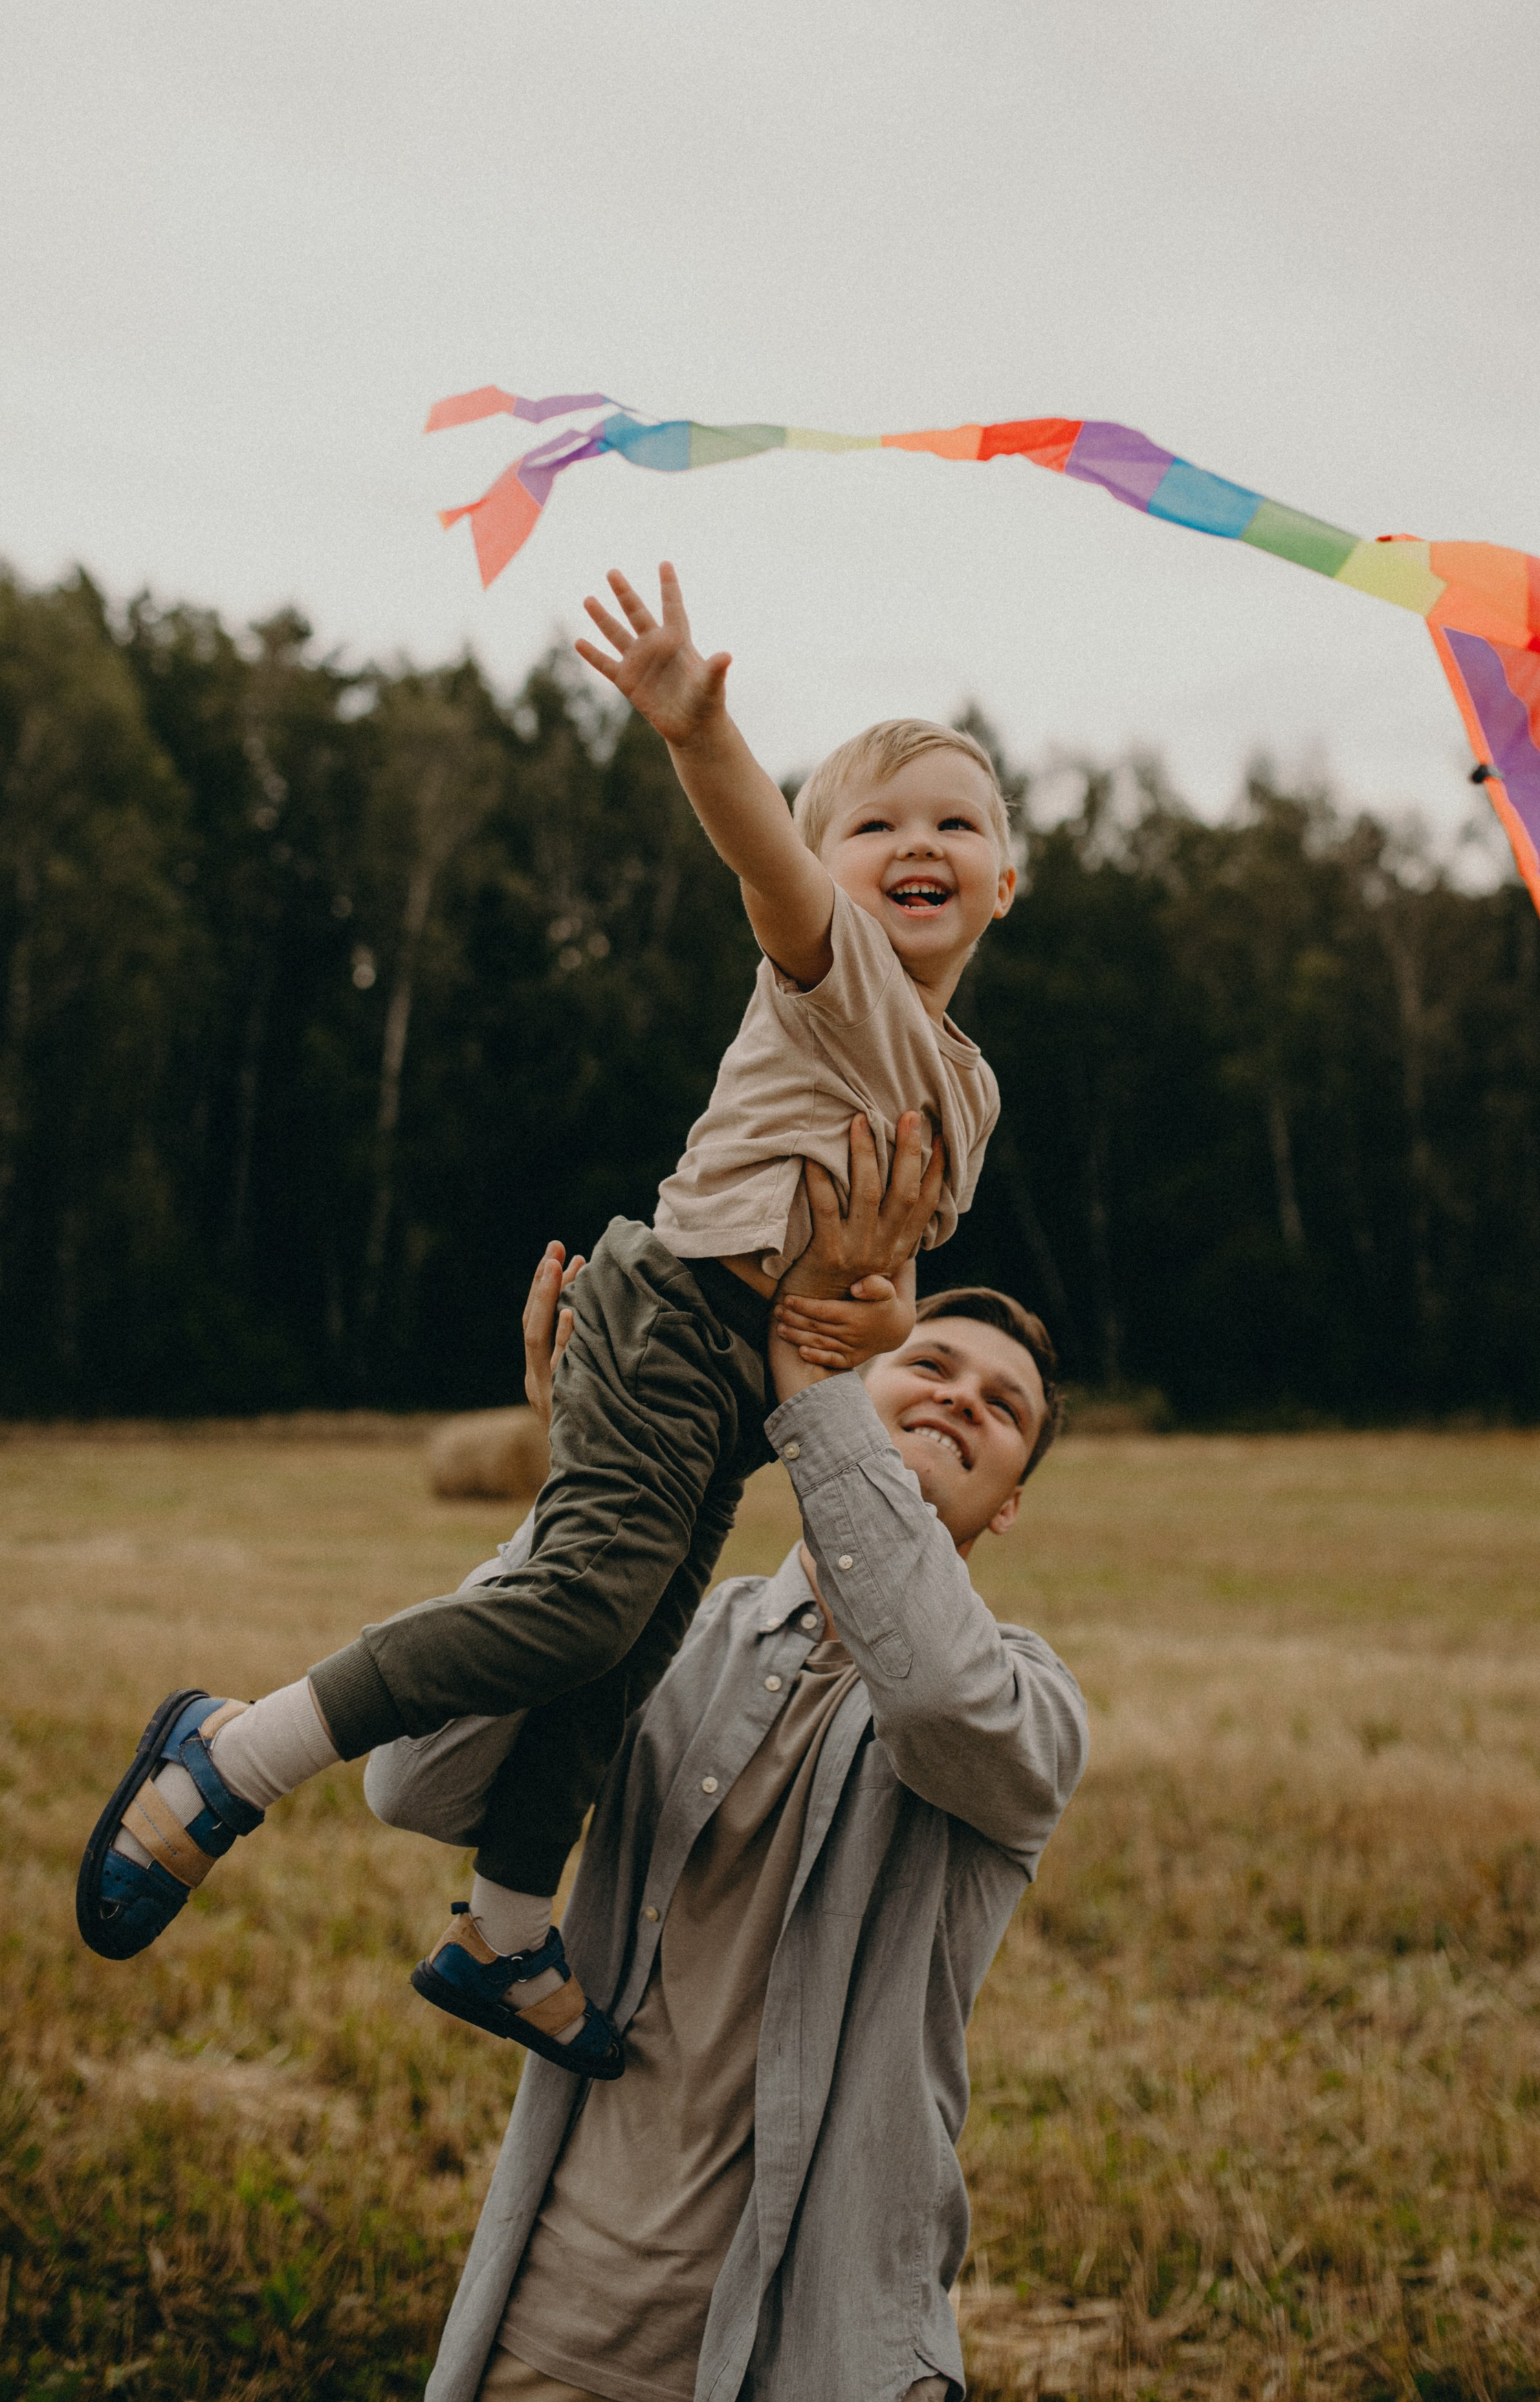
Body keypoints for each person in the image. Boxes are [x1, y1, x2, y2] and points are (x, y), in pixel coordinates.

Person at [78, 560, 1019, 2085]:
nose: (916, 842)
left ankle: (505, 1929)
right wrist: (696, 738)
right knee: (583, 1608)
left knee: (619, 1661)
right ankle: (230, 1754)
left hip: (742, 1379)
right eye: (874, 823)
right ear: (828, 867)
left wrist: (882, 1309)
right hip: (670, 1316)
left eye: (954, 821)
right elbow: (765, 862)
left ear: (1006, 880)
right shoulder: (832, 969)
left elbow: (884, 1277)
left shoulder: (967, 1089)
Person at [385, 1142, 1087, 2402]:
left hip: (815, 2360)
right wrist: (589, 1493)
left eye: (1005, 1407)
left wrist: (809, 1397)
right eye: (930, 1362)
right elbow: (416, 1782)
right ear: (865, 1391)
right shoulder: (674, 1634)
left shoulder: (1027, 1711)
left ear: (1012, 1504)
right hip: (553, 2331)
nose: (962, 1401)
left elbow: (925, 1682)